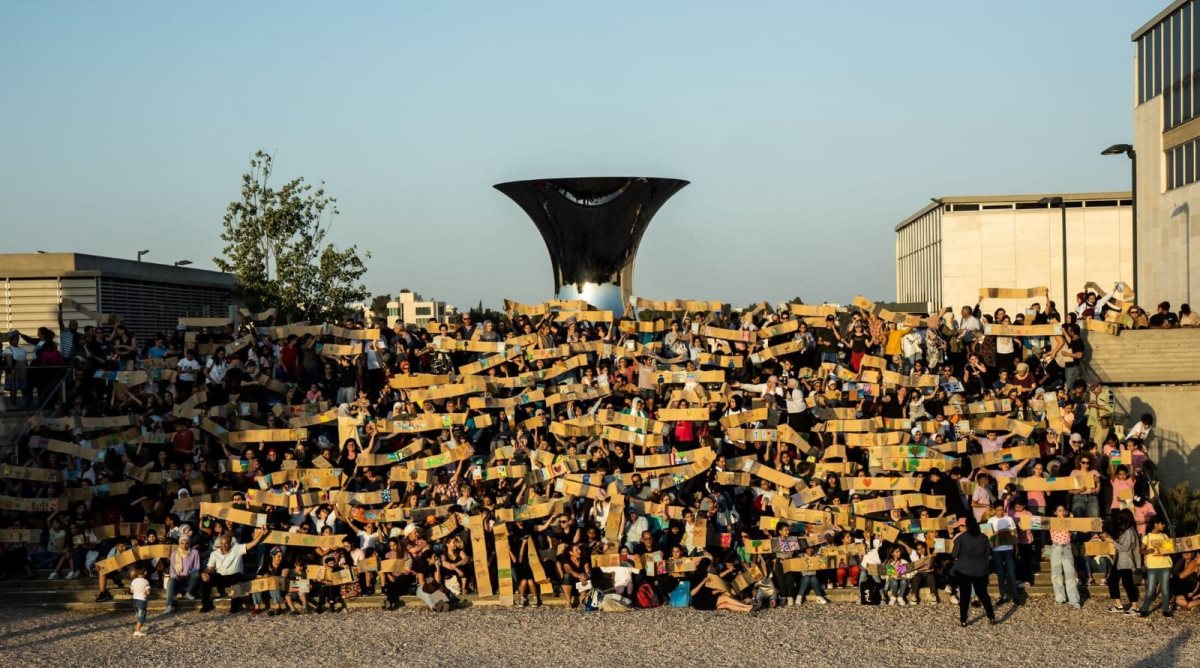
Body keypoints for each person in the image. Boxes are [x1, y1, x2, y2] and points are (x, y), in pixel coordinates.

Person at [951, 517, 996, 627]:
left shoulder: (961, 538)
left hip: (964, 569)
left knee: (965, 596)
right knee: (983, 594)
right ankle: (991, 617)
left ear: (966, 526)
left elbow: (954, 554)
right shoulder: (983, 537)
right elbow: (988, 552)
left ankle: (963, 620)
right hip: (981, 569)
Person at [1138, 517, 1175, 618]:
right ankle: (1145, 609)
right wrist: (1148, 551)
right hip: (1153, 566)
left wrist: (1166, 551)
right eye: (1161, 524)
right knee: (1150, 589)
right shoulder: (1147, 537)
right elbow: (1141, 551)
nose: (1163, 526)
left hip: (1165, 565)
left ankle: (1166, 609)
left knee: (1165, 589)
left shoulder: (1164, 536)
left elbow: (1170, 549)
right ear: (1155, 524)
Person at [1046, 504, 1081, 609]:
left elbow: (1078, 529)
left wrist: (1071, 519)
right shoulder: (1051, 521)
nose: (1061, 512)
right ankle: (1060, 598)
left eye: (1063, 510)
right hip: (1056, 547)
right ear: (1055, 512)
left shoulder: (1069, 522)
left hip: (1066, 547)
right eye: (1059, 510)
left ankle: (1074, 600)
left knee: (1070, 573)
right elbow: (1036, 524)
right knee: (1056, 573)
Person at [163, 533, 200, 614]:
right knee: (170, 581)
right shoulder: (174, 554)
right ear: (179, 543)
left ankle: (188, 592)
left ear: (189, 543)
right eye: (182, 543)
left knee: (196, 573)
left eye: (186, 543)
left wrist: (188, 574)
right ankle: (169, 605)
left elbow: (196, 567)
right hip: (178, 579)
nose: (184, 545)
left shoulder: (194, 553)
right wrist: (176, 577)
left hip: (189, 580)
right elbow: (172, 569)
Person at [131, 565, 151, 637]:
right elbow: (148, 592)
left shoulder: (133, 581)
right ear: (145, 573)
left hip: (134, 600)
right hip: (141, 600)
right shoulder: (145, 581)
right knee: (141, 616)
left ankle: (140, 627)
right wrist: (146, 593)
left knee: (138, 614)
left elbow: (132, 590)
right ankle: (137, 631)